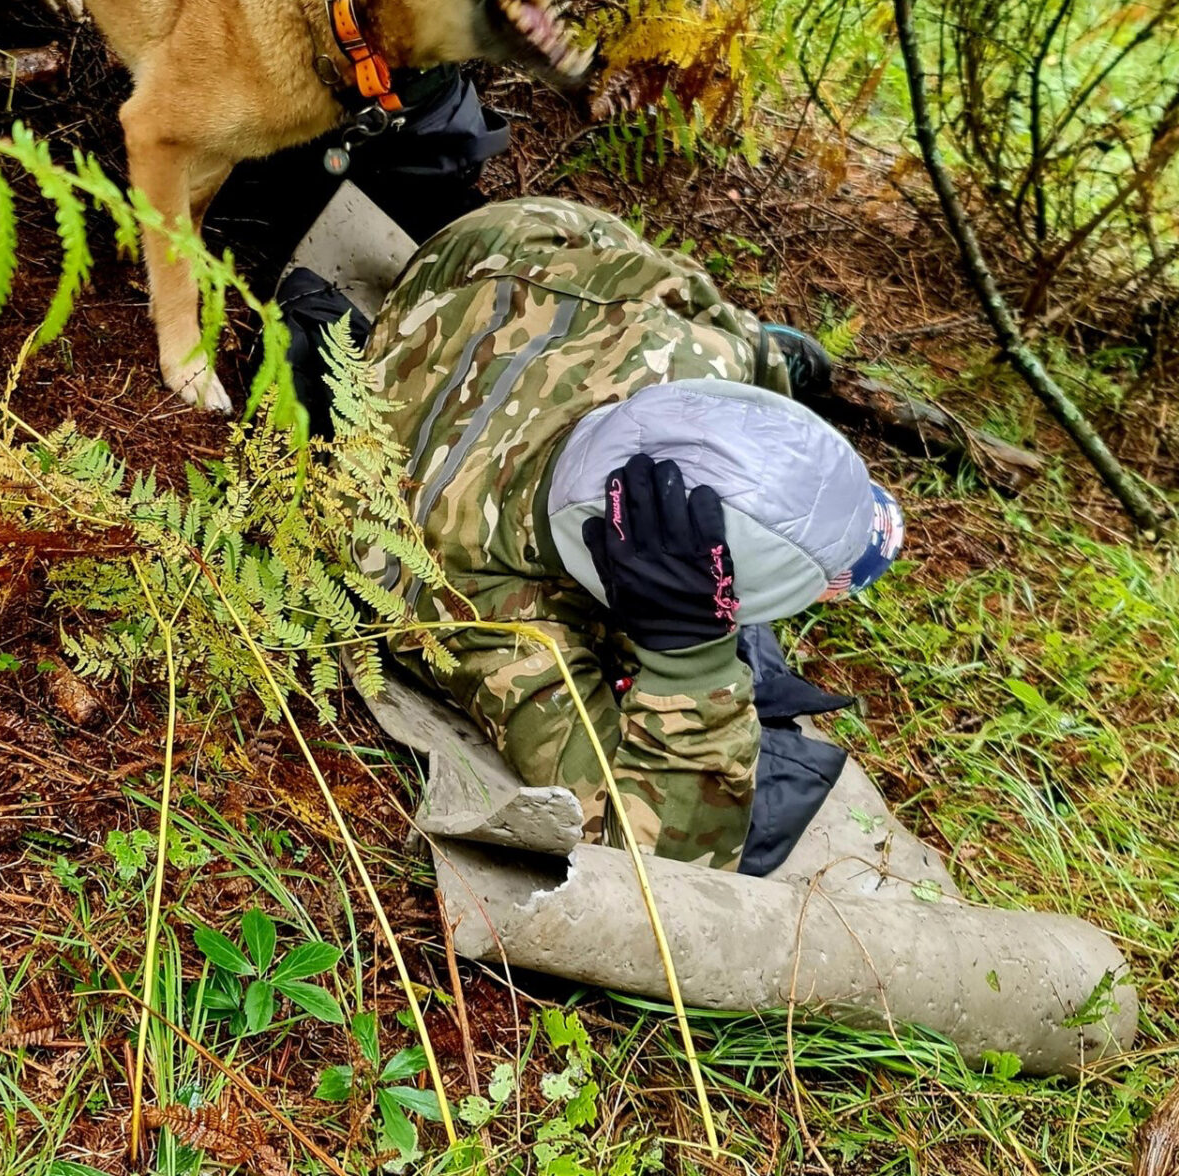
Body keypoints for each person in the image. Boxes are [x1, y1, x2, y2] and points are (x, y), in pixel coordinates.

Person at [283, 193, 904, 874]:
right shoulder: (469, 602)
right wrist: (689, 660)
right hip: (493, 289)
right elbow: (666, 861)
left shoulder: (681, 359)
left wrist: (756, 358)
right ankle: (777, 358)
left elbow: (688, 297)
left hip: (503, 245)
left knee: (707, 317)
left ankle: (778, 356)